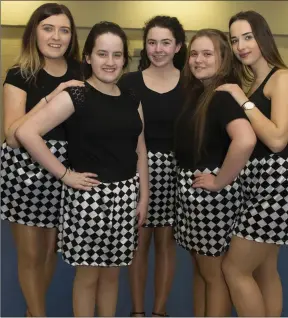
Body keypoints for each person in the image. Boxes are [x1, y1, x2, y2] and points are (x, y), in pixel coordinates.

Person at [16, 21, 149, 317]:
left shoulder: (131, 98)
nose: (110, 62)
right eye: (102, 54)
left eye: (117, 55)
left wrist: (143, 197)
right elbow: (27, 133)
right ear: (88, 57)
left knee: (113, 275)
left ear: (125, 59)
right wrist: (64, 175)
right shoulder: (77, 95)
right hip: (88, 198)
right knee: (88, 277)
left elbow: (140, 149)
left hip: (126, 196)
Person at [215, 11, 288, 317]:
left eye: (248, 37)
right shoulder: (257, 83)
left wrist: (241, 98)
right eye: (235, 39)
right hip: (257, 184)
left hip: (276, 185)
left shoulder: (284, 78)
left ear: (263, 36)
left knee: (234, 268)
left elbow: (278, 139)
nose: (240, 46)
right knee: (264, 270)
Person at [0, 3, 82, 316]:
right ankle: (39, 314)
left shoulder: (81, 73)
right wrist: (53, 96)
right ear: (34, 32)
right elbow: (12, 133)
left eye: (64, 30)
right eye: (48, 28)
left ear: (72, 36)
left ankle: (33, 312)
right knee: (30, 253)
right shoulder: (20, 74)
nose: (56, 37)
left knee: (50, 251)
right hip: (24, 169)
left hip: (64, 168)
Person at [174, 29, 256, 317]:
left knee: (213, 276)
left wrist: (220, 180)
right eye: (194, 53)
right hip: (194, 196)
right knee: (201, 272)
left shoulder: (222, 96)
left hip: (211, 199)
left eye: (208, 54)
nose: (198, 60)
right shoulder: (199, 93)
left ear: (223, 59)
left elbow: (245, 139)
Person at [118, 15, 187, 317]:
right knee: (138, 245)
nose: (158, 49)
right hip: (138, 170)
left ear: (178, 46)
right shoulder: (129, 82)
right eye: (152, 42)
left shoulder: (191, 83)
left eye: (165, 42)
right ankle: (137, 312)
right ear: (144, 46)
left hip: (176, 171)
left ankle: (159, 312)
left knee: (166, 245)